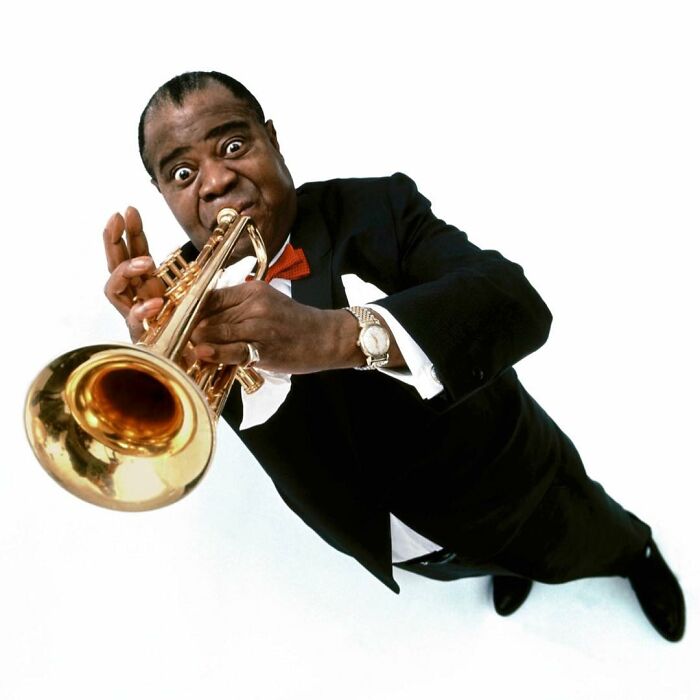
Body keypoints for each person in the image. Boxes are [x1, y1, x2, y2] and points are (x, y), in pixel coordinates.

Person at [103, 70, 685, 642]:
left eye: (233, 145)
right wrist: (162, 354)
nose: (214, 182)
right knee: (484, 563)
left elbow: (516, 302)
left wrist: (336, 336)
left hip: (506, 487)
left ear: (272, 139)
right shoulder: (179, 291)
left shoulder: (376, 207)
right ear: (164, 194)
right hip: (391, 542)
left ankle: (635, 552)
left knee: (579, 543)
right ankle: (508, 568)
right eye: (182, 173)